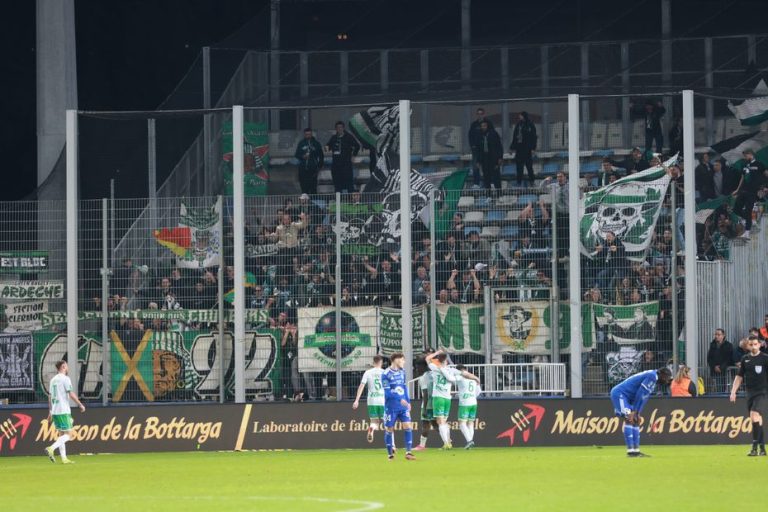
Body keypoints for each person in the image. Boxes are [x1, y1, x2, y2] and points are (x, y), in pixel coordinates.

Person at [610, 367, 673, 457]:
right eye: (667, 378)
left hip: (628, 398)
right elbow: (640, 393)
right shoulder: (652, 376)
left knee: (635, 420)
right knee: (629, 419)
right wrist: (634, 411)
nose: (667, 381)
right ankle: (630, 451)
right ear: (662, 375)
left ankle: (636, 451)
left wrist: (638, 412)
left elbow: (644, 397)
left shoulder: (653, 378)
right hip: (620, 394)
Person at [729, 335, 768, 456]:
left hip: (762, 392)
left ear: (760, 344)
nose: (753, 346)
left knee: (754, 415)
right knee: (756, 419)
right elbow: (739, 376)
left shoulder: (765, 358)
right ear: (748, 346)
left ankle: (754, 447)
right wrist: (733, 391)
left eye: (755, 344)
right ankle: (762, 448)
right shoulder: (745, 359)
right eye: (751, 345)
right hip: (750, 392)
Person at [44, 360, 86, 464]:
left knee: (61, 434)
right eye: (66, 365)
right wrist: (80, 404)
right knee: (70, 435)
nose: (67, 367)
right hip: (63, 410)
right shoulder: (65, 379)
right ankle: (51, 448)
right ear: (63, 367)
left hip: (55, 410)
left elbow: (50, 396)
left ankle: (64, 458)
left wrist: (50, 411)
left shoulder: (53, 380)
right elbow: (71, 393)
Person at [381, 352, 415, 460]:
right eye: (402, 360)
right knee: (389, 428)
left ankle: (408, 452)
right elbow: (387, 392)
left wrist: (408, 401)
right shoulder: (386, 374)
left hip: (403, 405)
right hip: (391, 406)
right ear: (396, 360)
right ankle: (390, 455)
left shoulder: (402, 372)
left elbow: (404, 387)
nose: (404, 362)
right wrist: (400, 399)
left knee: (408, 426)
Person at [731, 148, 766, 239]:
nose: (745, 157)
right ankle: (750, 220)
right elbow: (742, 178)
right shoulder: (744, 164)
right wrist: (737, 189)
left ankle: (747, 231)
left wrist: (765, 187)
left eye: (746, 155)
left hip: (753, 191)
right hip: (743, 190)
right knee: (736, 209)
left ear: (751, 154)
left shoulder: (759, 164)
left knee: (748, 210)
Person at [353, 355, 386, 444]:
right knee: (386, 421)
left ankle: (371, 428)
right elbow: (388, 387)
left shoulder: (368, 372)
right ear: (381, 362)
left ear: (373, 362)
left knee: (374, 421)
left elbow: (361, 386)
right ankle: (391, 443)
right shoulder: (384, 372)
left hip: (372, 400)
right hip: (382, 400)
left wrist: (357, 400)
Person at [425, 350, 455, 449]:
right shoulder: (450, 370)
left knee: (440, 421)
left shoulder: (435, 367)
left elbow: (427, 359)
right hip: (447, 398)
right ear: (446, 361)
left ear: (438, 360)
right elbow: (453, 379)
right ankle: (448, 442)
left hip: (438, 397)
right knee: (444, 422)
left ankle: (446, 443)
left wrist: (436, 352)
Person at [450, 364, 482, 449]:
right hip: (474, 402)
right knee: (470, 423)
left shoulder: (461, 377)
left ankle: (469, 441)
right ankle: (470, 442)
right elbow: (478, 392)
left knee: (462, 423)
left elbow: (451, 380)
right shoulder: (474, 378)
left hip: (465, 403)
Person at [325, 121, 360, 193]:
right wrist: (327, 147)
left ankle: (351, 201)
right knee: (337, 185)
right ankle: (338, 202)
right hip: (336, 165)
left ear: (343, 128)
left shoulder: (349, 137)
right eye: (338, 128)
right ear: (336, 129)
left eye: (341, 127)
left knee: (349, 184)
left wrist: (353, 156)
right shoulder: (334, 138)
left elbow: (357, 146)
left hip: (346, 164)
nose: (339, 129)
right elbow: (328, 145)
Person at [413, 359, 438, 451]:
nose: (416, 369)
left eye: (417, 367)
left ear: (423, 366)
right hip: (436, 402)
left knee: (425, 424)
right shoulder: (434, 374)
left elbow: (425, 394)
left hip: (427, 404)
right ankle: (447, 440)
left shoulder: (423, 378)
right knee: (436, 424)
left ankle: (422, 445)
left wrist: (425, 409)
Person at [294, 128, 324, 195]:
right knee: (304, 189)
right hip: (303, 169)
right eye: (306, 134)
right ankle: (305, 203)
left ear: (311, 134)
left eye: (309, 134)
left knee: (313, 188)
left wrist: (319, 166)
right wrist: (302, 156)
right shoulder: (301, 143)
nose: (308, 136)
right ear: (304, 135)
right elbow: (297, 154)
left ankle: (313, 204)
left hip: (313, 169)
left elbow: (321, 156)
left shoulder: (316, 144)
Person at [510, 111, 537, 187]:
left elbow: (534, 137)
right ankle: (519, 182)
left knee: (529, 167)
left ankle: (532, 181)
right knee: (519, 167)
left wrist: (533, 147)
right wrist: (512, 147)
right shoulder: (518, 125)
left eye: (521, 116)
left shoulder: (530, 125)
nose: (520, 117)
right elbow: (515, 136)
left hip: (527, 149)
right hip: (519, 149)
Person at [468, 107, 491, 188]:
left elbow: (492, 135)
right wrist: (472, 146)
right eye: (478, 114)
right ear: (476, 115)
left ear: (484, 114)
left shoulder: (488, 123)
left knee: (487, 166)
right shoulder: (474, 125)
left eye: (481, 114)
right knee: (475, 166)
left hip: (486, 149)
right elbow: (470, 136)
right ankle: (476, 183)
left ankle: (488, 183)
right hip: (476, 150)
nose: (480, 115)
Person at [707, 328, 734, 393]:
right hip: (714, 371)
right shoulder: (712, 345)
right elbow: (709, 358)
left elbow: (729, 358)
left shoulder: (728, 345)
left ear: (723, 335)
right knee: (713, 389)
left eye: (718, 334)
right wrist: (714, 366)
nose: (716, 336)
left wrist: (721, 367)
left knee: (722, 389)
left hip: (724, 371)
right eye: (715, 334)